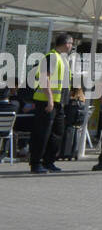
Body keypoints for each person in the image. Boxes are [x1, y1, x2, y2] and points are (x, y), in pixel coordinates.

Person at [28, 32, 75, 174]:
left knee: (57, 133)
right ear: (66, 43)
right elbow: (44, 78)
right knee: (42, 134)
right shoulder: (52, 57)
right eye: (71, 43)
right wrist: (49, 99)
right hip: (47, 102)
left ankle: (49, 162)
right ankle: (36, 163)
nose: (72, 46)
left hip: (59, 103)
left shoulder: (62, 58)